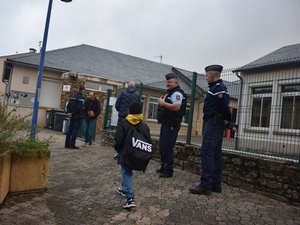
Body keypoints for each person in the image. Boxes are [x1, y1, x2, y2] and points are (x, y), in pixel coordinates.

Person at [189, 64, 237, 195]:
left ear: (212, 74)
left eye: (206, 75)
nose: (205, 77)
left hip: (213, 124)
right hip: (214, 123)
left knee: (207, 153)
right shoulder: (216, 88)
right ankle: (215, 184)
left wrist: (228, 121)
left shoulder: (218, 88)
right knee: (215, 154)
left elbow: (223, 108)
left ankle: (205, 185)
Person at [114, 102, 151, 209]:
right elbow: (149, 141)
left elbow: (118, 139)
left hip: (126, 154)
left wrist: (118, 150)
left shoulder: (124, 123)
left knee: (126, 172)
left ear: (129, 111)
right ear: (140, 112)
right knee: (126, 171)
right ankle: (123, 188)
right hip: (138, 153)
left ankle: (130, 198)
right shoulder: (144, 125)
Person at [156, 73, 186, 178]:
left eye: (170, 82)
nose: (167, 84)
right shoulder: (170, 92)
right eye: (167, 82)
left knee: (168, 146)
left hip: (172, 124)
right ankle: (164, 167)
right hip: (166, 123)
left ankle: (168, 171)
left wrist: (163, 103)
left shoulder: (177, 93)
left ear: (176, 83)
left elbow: (176, 107)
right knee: (163, 146)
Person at [114, 81, 141, 158]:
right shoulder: (137, 94)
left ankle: (119, 153)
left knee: (120, 135)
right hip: (132, 119)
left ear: (128, 86)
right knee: (131, 135)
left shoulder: (122, 93)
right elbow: (139, 106)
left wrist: (121, 111)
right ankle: (129, 153)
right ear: (134, 87)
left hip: (122, 118)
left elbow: (117, 105)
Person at [64, 85, 85, 149]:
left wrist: (69, 113)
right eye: (84, 90)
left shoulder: (72, 96)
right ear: (82, 90)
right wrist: (73, 113)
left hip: (72, 116)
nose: (84, 92)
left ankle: (66, 144)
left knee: (70, 130)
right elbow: (79, 107)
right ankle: (72, 145)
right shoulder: (81, 98)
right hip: (78, 116)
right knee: (75, 131)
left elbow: (68, 106)